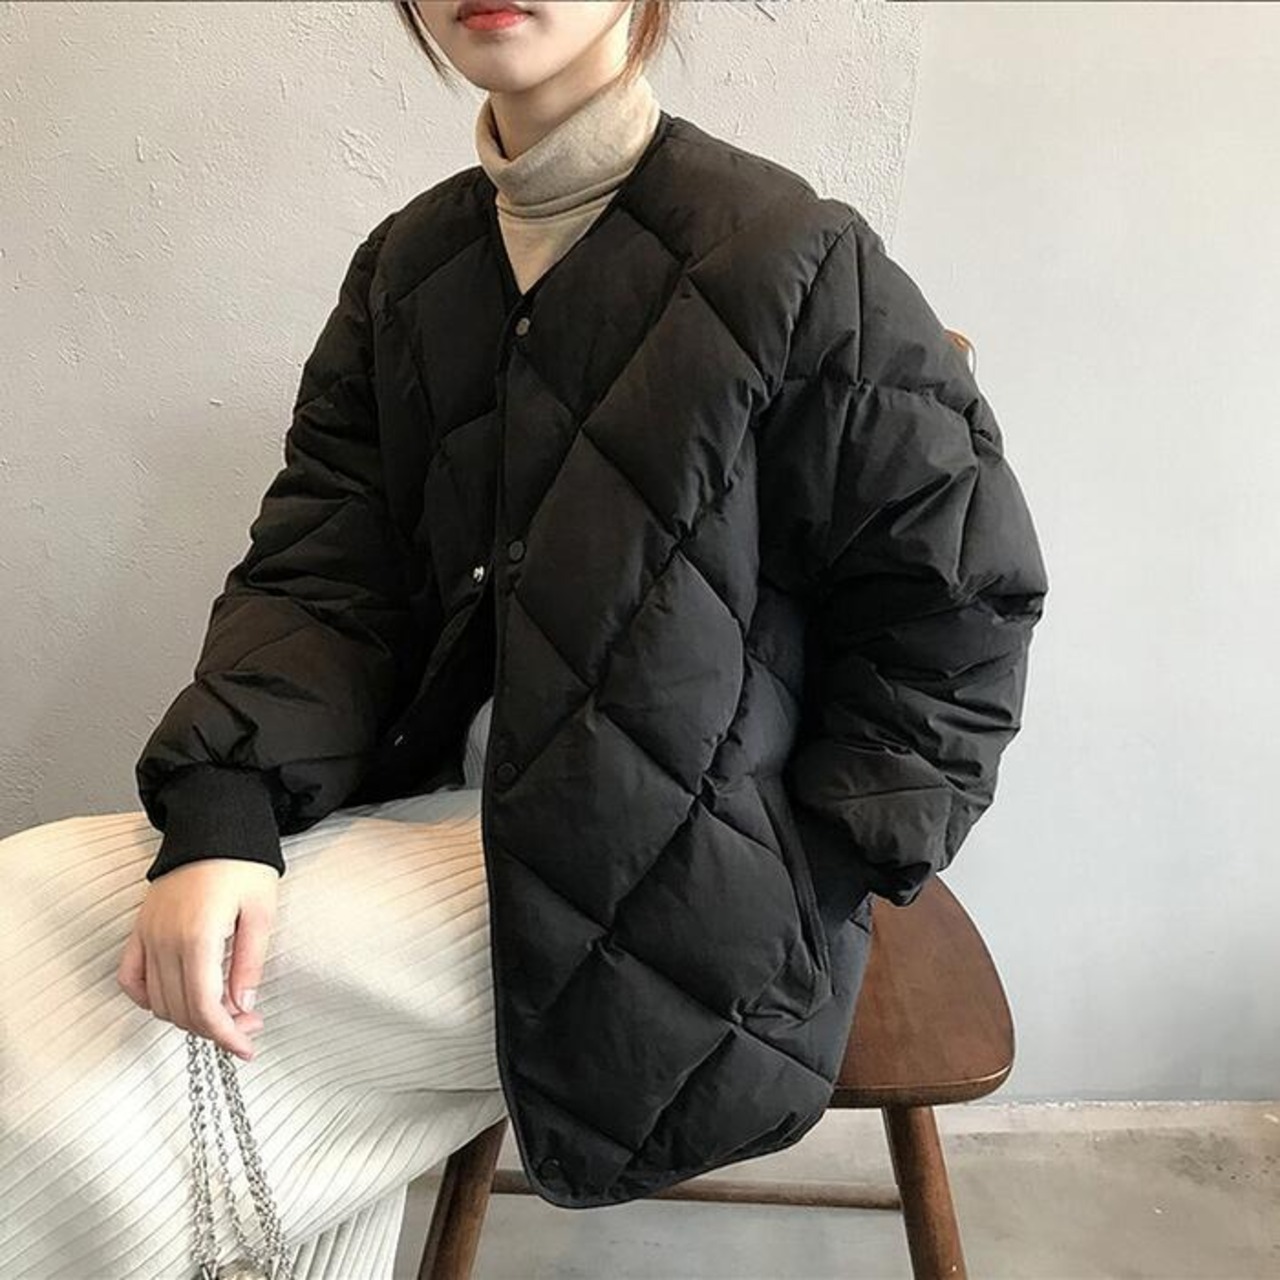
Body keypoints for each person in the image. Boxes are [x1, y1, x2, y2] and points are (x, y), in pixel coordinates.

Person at [1, 1, 1049, 1276]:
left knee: (80, 1028)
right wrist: (225, 807)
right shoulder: (408, 267)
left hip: (683, 878)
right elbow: (326, 574)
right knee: (39, 907)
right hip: (419, 808)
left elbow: (954, 605)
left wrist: (808, 870)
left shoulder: (792, 255)